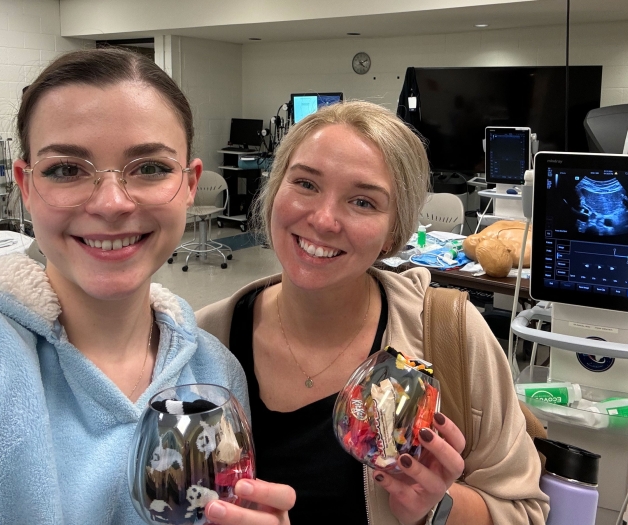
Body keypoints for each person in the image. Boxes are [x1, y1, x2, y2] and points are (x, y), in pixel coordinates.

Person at [197, 100, 550, 524]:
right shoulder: (204, 340)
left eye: (363, 202)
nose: (324, 220)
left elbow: (524, 511)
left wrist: (436, 507)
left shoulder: (450, 334)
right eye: (306, 184)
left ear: (393, 233)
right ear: (275, 192)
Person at [0, 48, 294, 525]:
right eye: (66, 170)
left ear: (189, 184)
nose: (112, 203)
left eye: (151, 168)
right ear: (26, 185)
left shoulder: (215, 374)